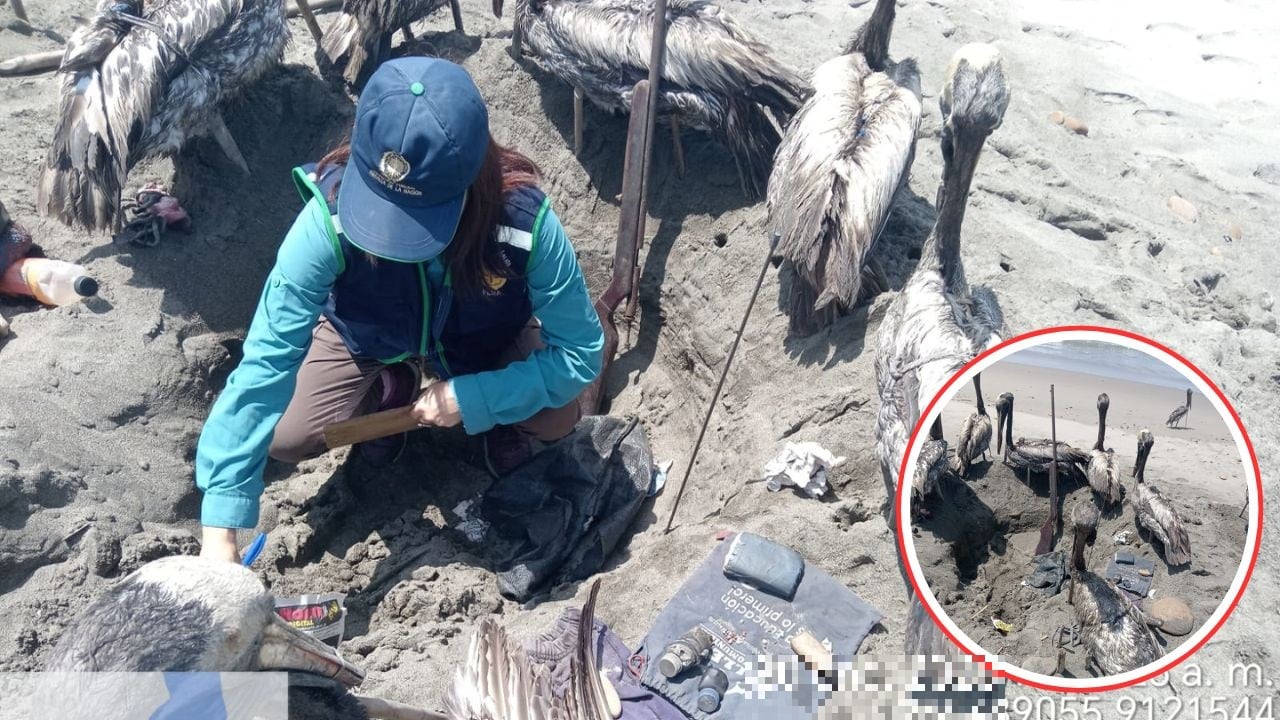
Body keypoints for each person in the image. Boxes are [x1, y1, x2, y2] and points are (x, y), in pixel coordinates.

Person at [196, 58, 604, 563]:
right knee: (287, 434)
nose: (394, 240)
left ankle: (499, 420)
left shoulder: (523, 223)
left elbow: (581, 354)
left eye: (419, 220)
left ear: (473, 181)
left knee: (557, 414)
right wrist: (221, 525)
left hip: (482, 341)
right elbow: (264, 360)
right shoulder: (328, 215)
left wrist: (478, 397)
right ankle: (390, 389)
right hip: (369, 333)